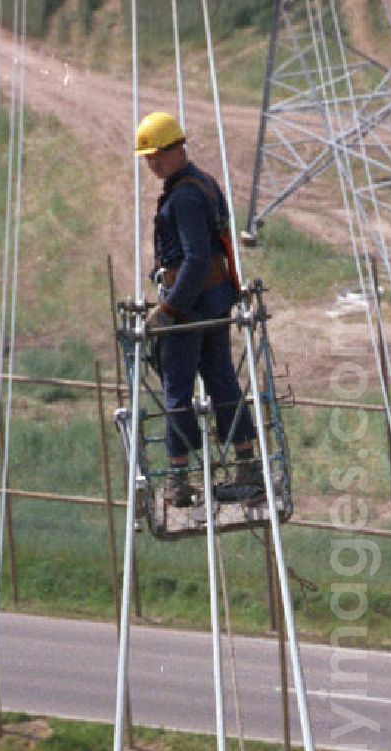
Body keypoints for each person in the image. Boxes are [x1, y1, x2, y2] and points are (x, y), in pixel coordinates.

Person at [135, 110, 262, 510]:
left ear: (177, 149)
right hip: (214, 300)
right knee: (222, 379)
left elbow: (195, 260)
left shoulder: (186, 195)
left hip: (191, 306)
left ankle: (178, 479)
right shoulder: (202, 183)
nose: (151, 163)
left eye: (156, 154)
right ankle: (247, 467)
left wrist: (169, 309)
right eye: (147, 156)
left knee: (177, 390)